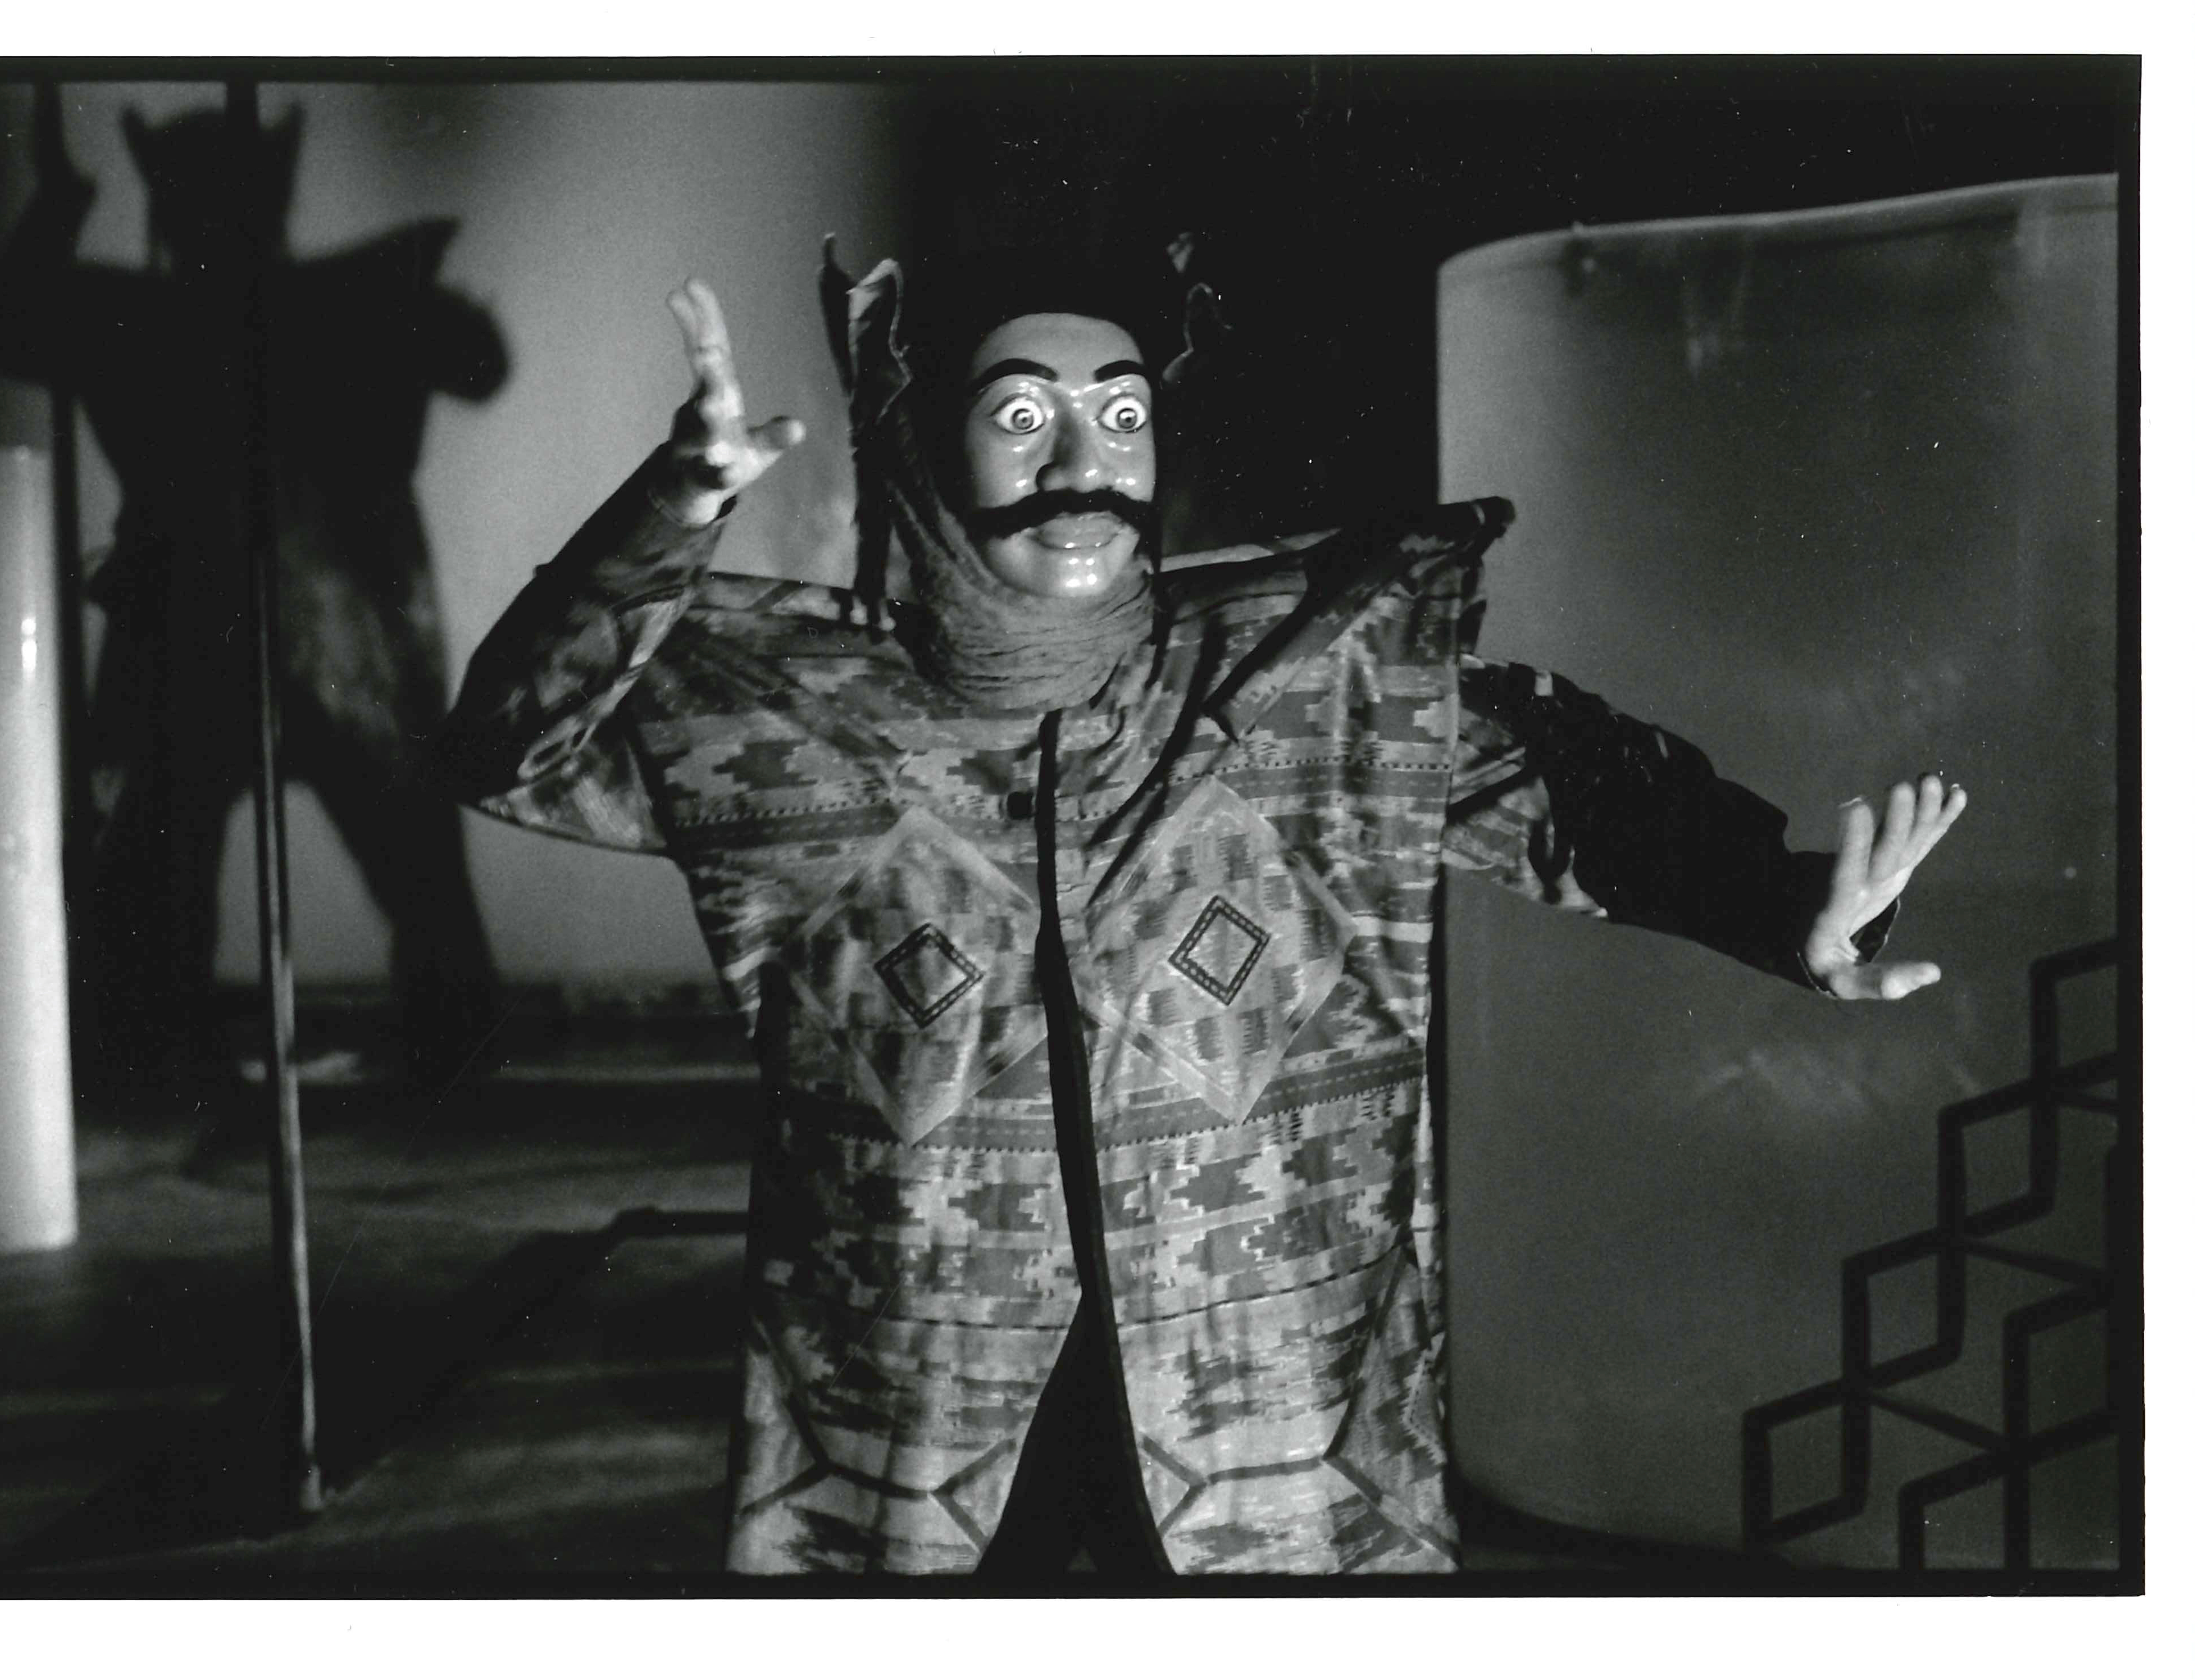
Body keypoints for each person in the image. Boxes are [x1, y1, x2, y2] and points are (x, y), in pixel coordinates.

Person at [436, 244, 1965, 1576]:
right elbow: (510, 752)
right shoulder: (791, 707)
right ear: (920, 442)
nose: (1083, 458)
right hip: (915, 1421)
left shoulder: (1292, 677)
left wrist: (1781, 904)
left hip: (1261, 1413)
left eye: (1122, 413)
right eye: (1020, 416)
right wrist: (675, 501)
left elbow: (1552, 781)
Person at [0, 105, 503, 1099]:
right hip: (296, 630)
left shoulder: (143, 316)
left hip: (293, 627)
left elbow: (478, 362)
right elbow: (478, 359)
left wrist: (60, 203)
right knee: (172, 868)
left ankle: (163, 1059)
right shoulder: (188, 313)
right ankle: (159, 1059)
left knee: (357, 862)